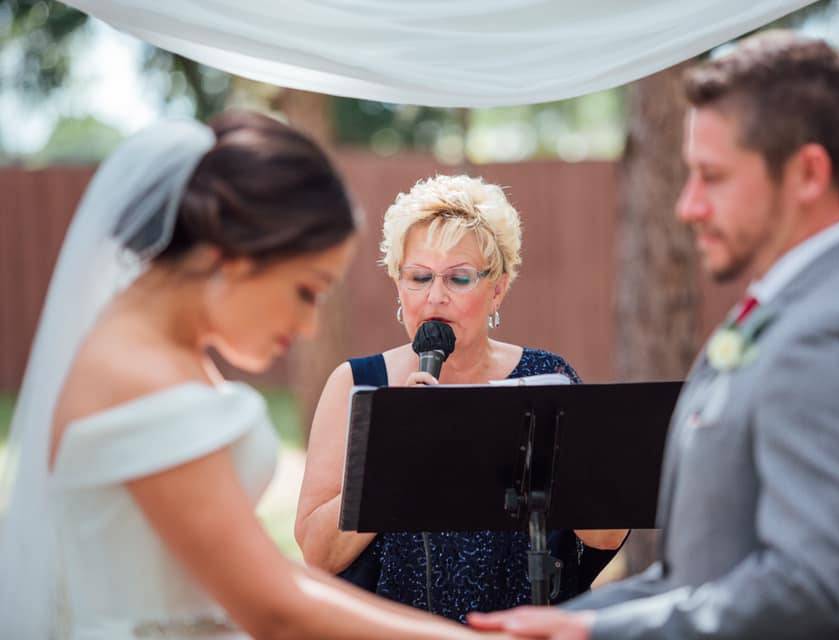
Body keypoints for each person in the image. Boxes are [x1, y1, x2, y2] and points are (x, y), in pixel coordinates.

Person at [469, 31, 839, 640]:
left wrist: (596, 636)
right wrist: (559, 621)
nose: (688, 206)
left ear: (807, 173)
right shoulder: (783, 314)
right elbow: (696, 579)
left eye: (712, 176)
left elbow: (816, 593)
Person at [0, 111, 502, 639]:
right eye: (306, 290)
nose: (309, 325)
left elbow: (265, 574)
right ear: (240, 260)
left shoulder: (155, 352)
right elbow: (275, 609)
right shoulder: (137, 375)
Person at [295, 174, 628, 622]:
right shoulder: (355, 383)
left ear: (498, 289)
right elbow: (318, 554)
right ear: (398, 285)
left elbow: (606, 534)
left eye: (459, 279)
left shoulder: (547, 378)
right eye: (419, 277)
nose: (435, 296)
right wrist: (396, 450)